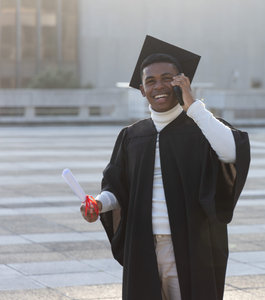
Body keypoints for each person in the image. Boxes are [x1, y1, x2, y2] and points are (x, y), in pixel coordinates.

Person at [80, 36, 250, 300]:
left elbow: (232, 152)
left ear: (182, 82)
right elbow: (117, 188)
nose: (159, 86)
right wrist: (99, 204)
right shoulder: (132, 136)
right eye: (151, 81)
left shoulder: (200, 128)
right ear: (141, 90)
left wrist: (193, 105)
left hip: (191, 245)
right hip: (143, 245)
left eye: (168, 78)